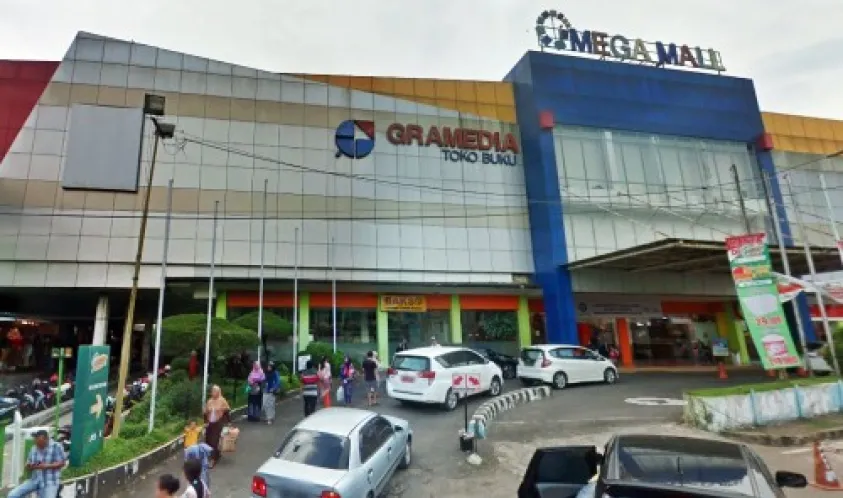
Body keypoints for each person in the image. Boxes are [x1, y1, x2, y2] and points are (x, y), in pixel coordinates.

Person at [9, 430, 66, 498]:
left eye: (40, 444)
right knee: (12, 495)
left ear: (47, 439)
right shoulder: (34, 448)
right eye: (37, 443)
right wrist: (30, 466)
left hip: (50, 481)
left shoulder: (56, 446)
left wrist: (47, 466)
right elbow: (28, 464)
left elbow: (62, 463)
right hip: (35, 480)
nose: (38, 446)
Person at [203, 385, 230, 467]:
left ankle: (213, 460)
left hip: (218, 423)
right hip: (210, 423)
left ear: (218, 392)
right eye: (212, 391)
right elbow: (205, 412)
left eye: (214, 391)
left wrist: (228, 422)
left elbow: (227, 411)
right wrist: (205, 422)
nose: (212, 393)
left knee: (214, 441)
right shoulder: (210, 401)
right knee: (208, 441)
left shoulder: (222, 400)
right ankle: (217, 454)